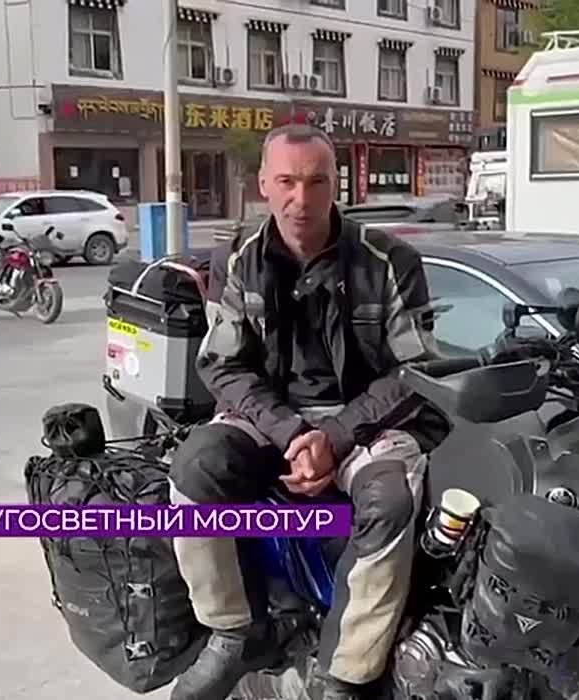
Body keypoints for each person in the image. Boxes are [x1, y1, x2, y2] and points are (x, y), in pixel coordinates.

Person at [167, 122, 452, 700]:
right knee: (194, 471)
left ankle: (347, 674)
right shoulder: (237, 260)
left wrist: (336, 436)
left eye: (317, 181)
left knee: (392, 498)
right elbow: (221, 364)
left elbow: (416, 369)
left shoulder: (389, 260)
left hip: (369, 420)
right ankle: (233, 632)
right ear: (264, 186)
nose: (302, 198)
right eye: (287, 182)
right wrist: (292, 431)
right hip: (268, 417)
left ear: (336, 185)